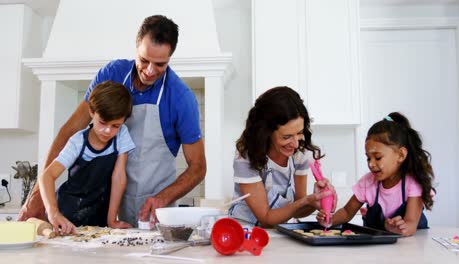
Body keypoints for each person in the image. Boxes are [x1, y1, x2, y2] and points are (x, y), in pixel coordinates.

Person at [19, 14, 206, 227]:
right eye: (144, 60)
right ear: (136, 47)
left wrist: (163, 197)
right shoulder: (112, 74)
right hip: (106, 208)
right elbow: (70, 130)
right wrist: (37, 198)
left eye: (160, 64)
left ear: (170, 58)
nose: (150, 71)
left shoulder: (181, 98)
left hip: (157, 214)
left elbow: (198, 167)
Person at [228, 86, 336, 227]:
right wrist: (306, 201)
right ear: (266, 132)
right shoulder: (246, 157)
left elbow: (298, 211)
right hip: (245, 232)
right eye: (286, 137)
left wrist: (316, 200)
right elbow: (266, 218)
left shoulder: (299, 155)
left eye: (299, 133)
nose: (296, 144)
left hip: (281, 232)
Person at [38, 81, 134, 234]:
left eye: (116, 125)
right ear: (91, 112)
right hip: (68, 215)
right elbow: (46, 176)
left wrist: (111, 220)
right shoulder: (77, 142)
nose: (108, 131)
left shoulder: (122, 135)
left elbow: (119, 176)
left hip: (99, 217)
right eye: (102, 122)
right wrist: (54, 213)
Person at [317, 112, 435, 236]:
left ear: (401, 155)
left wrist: (398, 228)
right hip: (375, 248)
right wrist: (330, 220)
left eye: (378, 158)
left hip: (410, 247)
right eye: (368, 158)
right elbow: (347, 212)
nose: (371, 164)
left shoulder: (413, 183)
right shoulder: (368, 182)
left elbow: (410, 224)